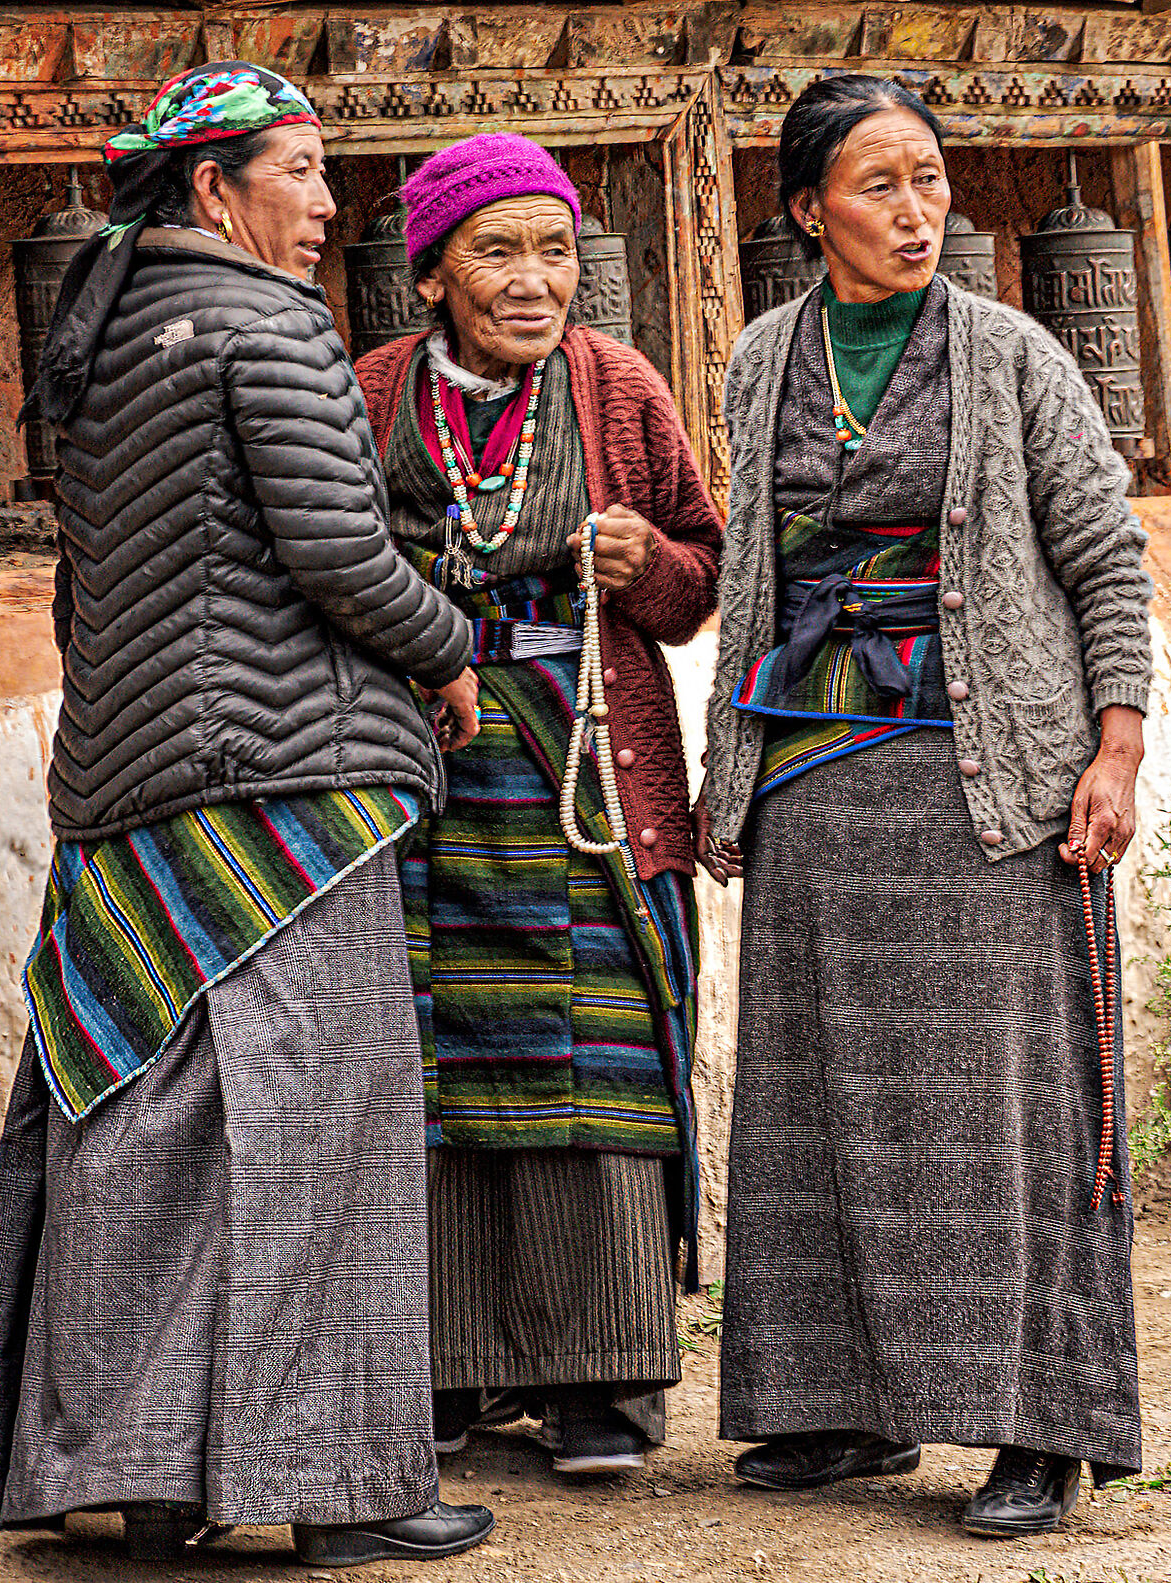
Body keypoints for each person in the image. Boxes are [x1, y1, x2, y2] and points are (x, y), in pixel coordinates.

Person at [0, 62, 495, 1569]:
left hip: (124, 789)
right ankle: (339, 1488)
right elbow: (337, 555)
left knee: (140, 1130)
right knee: (323, 1128)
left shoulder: (100, 329)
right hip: (288, 798)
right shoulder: (268, 325)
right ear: (215, 189)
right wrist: (455, 649)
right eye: (305, 172)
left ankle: (143, 1477)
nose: (331, 205)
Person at [696, 74, 1153, 1539]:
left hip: (987, 783)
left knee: (1004, 1108)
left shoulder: (1012, 355)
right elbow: (758, 580)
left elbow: (1107, 563)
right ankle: (843, 1408)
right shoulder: (765, 359)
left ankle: (1038, 1428)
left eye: (932, 181)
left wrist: (1116, 751)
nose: (915, 210)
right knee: (824, 1100)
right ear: (807, 209)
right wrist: (727, 775)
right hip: (818, 780)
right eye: (880, 184)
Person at [352, 133, 723, 1476]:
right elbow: (329, 571)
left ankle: (603, 1383)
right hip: (430, 772)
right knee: (437, 1070)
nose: (534, 280)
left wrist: (642, 566)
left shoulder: (618, 387)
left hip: (587, 780)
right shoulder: (375, 392)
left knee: (607, 1065)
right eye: (497, 251)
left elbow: (699, 580)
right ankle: (449, 1374)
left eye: (555, 249)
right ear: (436, 270)